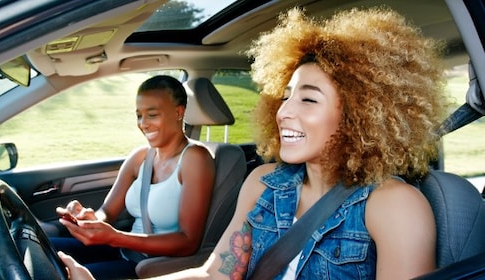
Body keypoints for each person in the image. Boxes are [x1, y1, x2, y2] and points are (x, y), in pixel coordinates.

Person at [61, 7, 446, 279]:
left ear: (362, 115)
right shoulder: (263, 182)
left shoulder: (394, 206)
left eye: (308, 99)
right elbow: (214, 275)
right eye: (286, 95)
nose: (284, 112)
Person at [53, 75, 216, 279]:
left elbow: (188, 243)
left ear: (178, 112)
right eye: (139, 115)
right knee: (43, 247)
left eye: (152, 115)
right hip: (123, 250)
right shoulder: (139, 157)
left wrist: (116, 237)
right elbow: (107, 212)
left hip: (152, 266)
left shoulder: (195, 158)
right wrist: (88, 218)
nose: (143, 124)